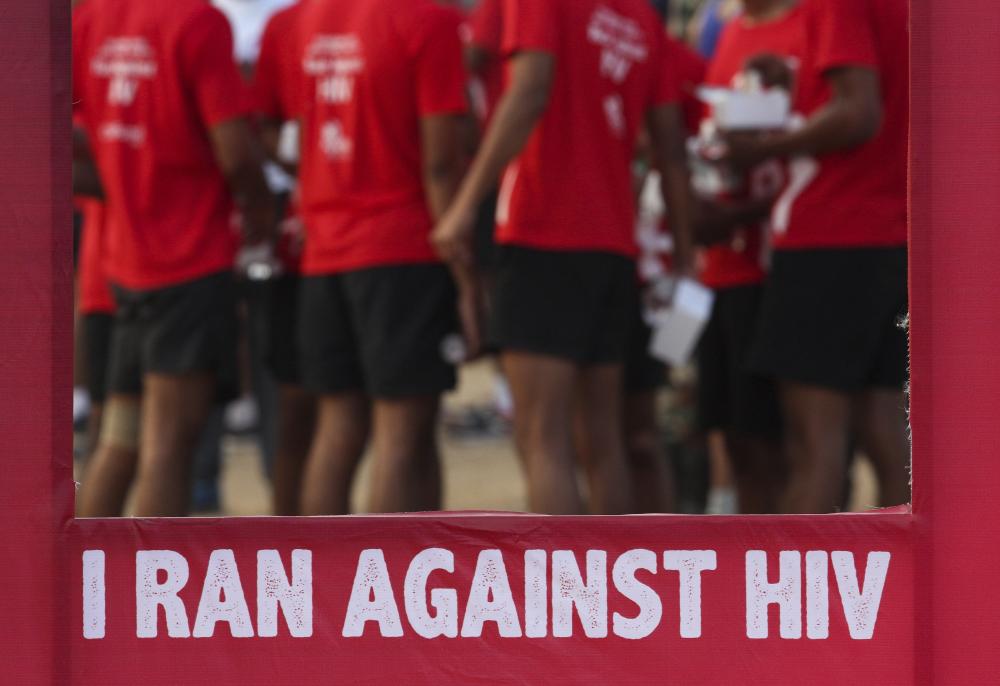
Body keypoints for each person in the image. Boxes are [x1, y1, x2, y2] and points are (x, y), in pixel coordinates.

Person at [434, 0, 694, 514]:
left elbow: (530, 89)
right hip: (613, 245)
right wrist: (686, 257)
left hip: (542, 232)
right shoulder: (642, 17)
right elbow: (670, 146)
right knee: (601, 440)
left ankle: (560, 571)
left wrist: (464, 204)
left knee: (541, 436)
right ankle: (617, 565)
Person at [72, 0, 273, 517]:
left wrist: (124, 183)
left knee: (121, 440)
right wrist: (261, 213)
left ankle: (76, 566)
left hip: (124, 265)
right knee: (170, 447)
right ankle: (149, 570)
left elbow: (57, 137)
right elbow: (236, 153)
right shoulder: (196, 21)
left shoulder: (94, 18)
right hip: (188, 261)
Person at [722, 0, 910, 513]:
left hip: (826, 236)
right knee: (882, 428)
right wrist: (794, 79)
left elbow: (858, 112)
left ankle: (802, 571)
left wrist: (765, 149)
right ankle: (919, 564)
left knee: (813, 446)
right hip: (887, 234)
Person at [295, 0, 472, 514]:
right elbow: (441, 163)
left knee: (337, 428)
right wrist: (465, 273)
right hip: (403, 248)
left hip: (324, 251)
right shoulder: (428, 21)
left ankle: (318, 565)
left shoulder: (300, 21)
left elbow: (279, 130)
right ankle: (389, 567)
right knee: (402, 432)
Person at [693, 0, 805, 513]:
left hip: (776, 265)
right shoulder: (728, 32)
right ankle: (753, 543)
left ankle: (789, 549)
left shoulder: (810, 24)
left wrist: (746, 210)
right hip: (721, 266)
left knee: (780, 442)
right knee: (735, 436)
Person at [253, 1, 317, 516]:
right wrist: (312, 167)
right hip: (299, 235)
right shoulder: (284, 25)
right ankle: (290, 533)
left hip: (378, 237)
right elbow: (262, 124)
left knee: (383, 418)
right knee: (300, 407)